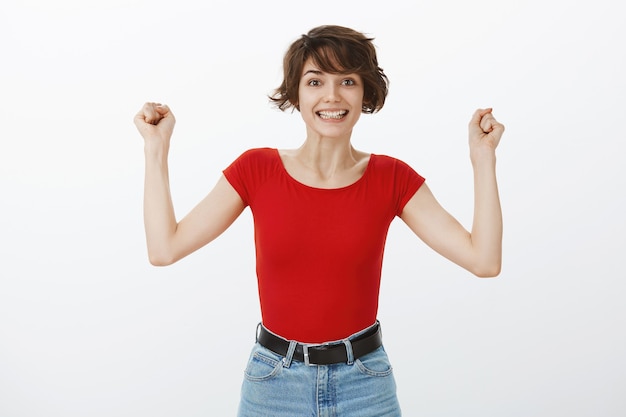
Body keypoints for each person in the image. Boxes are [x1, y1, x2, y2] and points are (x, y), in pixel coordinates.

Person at [134, 24, 504, 417]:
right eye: (315, 81)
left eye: (347, 80)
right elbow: (164, 248)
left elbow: (483, 260)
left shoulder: (392, 178)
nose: (331, 96)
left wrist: (483, 160)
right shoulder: (255, 170)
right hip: (273, 384)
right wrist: (156, 149)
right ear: (296, 92)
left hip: (366, 384)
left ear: (366, 93)